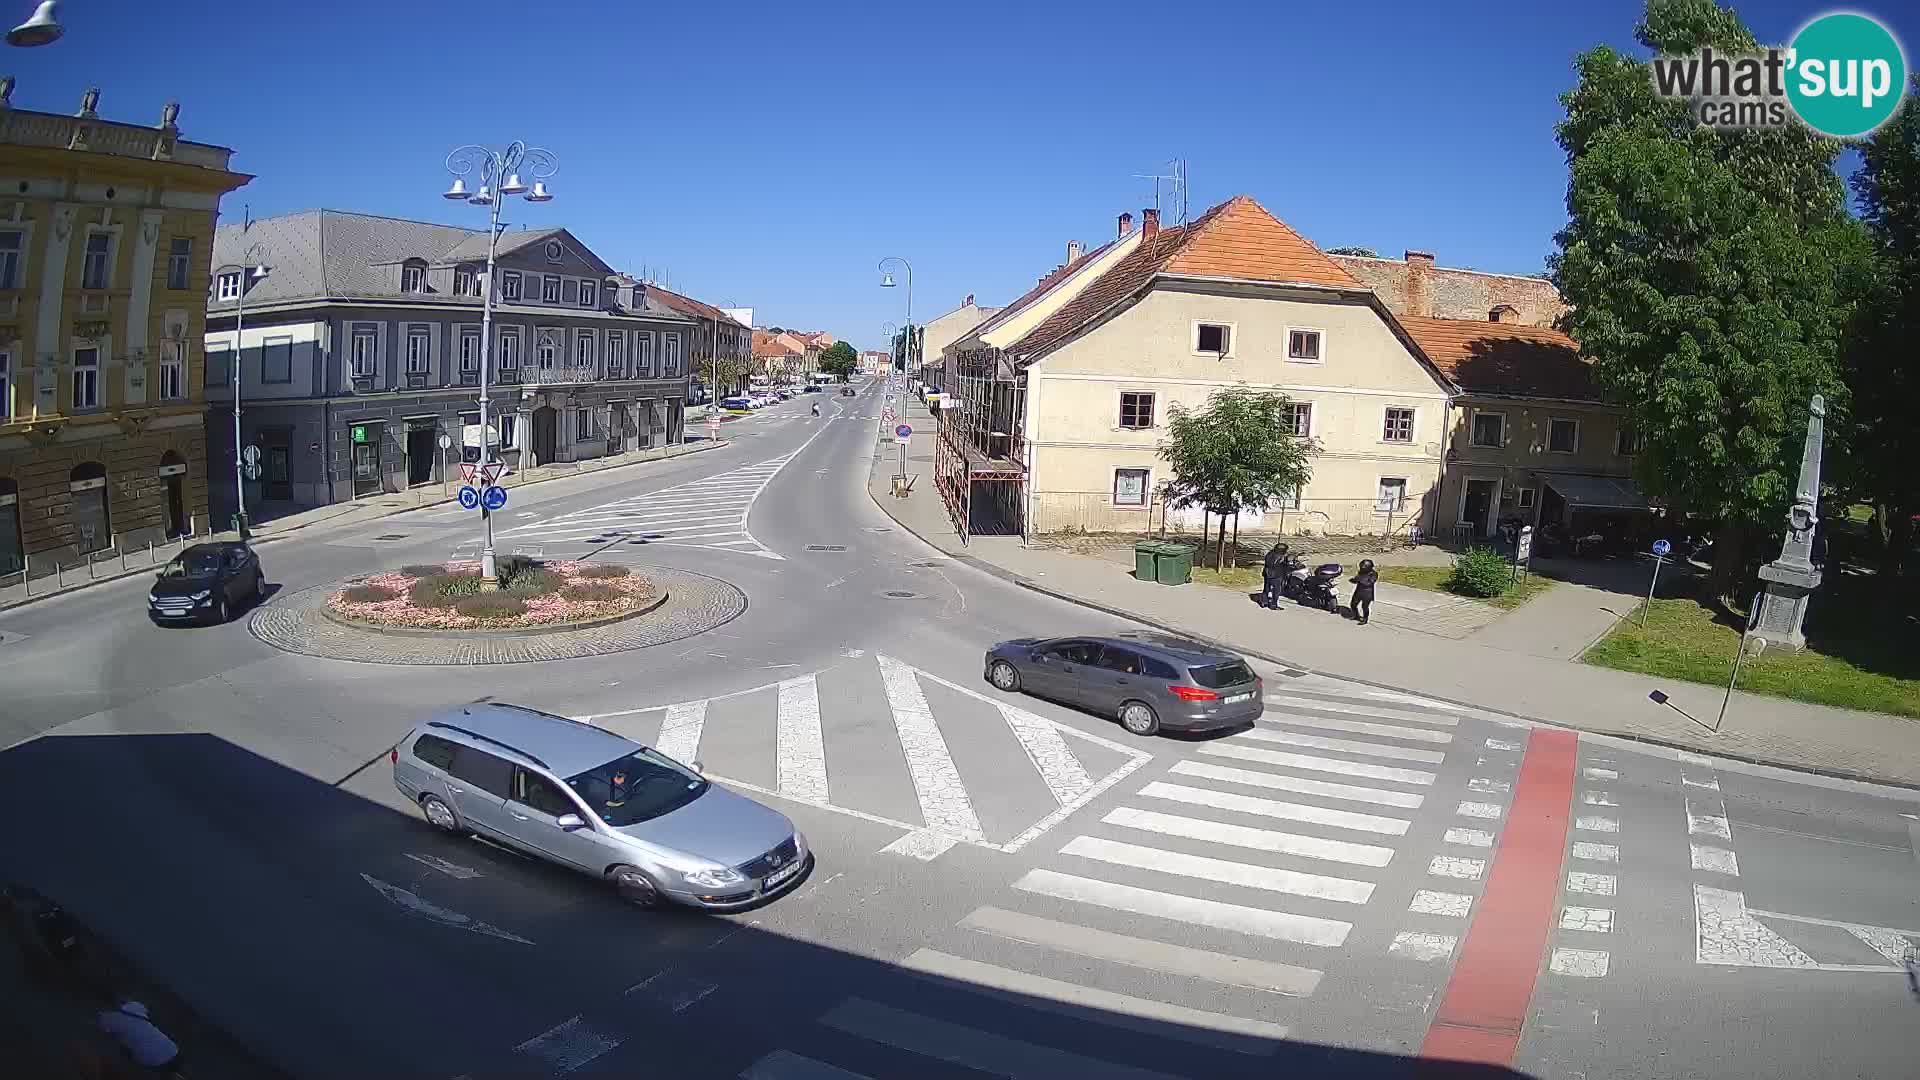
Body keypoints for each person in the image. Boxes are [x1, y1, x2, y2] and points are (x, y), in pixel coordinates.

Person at [95, 1000, 180, 1073]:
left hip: (151, 1061)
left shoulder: (106, 1019)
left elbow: (103, 1034)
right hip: (171, 1048)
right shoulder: (134, 1006)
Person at [1261, 544, 1289, 609]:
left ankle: (1264, 602)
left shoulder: (1270, 553)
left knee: (1266, 589)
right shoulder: (1280, 557)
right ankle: (1273, 605)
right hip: (1276, 575)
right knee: (1276, 590)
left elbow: (1267, 563)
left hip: (1267, 574)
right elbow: (1276, 565)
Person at [1350, 559, 1378, 624]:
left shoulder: (1373, 574)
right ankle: (1356, 616)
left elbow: (1370, 583)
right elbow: (1357, 579)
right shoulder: (1361, 572)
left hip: (1367, 593)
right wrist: (1354, 580)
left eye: (1363, 567)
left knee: (1364, 607)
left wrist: (1360, 580)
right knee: (1353, 604)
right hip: (1358, 591)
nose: (1362, 568)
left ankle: (1365, 619)